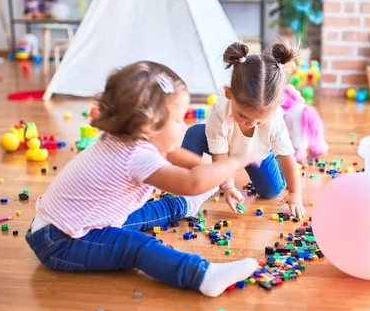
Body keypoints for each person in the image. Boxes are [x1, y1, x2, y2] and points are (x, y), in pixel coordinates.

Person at [25, 61, 258, 297]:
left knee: (141, 215)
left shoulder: (127, 137)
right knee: (137, 247)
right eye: (178, 120)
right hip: (60, 241)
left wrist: (203, 166)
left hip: (70, 223)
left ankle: (186, 205)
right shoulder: (136, 157)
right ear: (148, 126)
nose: (185, 125)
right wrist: (235, 161)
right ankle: (203, 276)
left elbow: (172, 153)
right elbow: (192, 182)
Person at [182, 38, 307, 218]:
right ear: (229, 94)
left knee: (271, 191)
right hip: (227, 148)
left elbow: (287, 155)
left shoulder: (275, 117)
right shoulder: (219, 110)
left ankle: (262, 166)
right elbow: (220, 155)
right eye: (243, 115)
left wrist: (295, 192)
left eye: (259, 120)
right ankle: (185, 180)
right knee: (195, 133)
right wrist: (228, 186)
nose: (251, 123)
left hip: (257, 153)